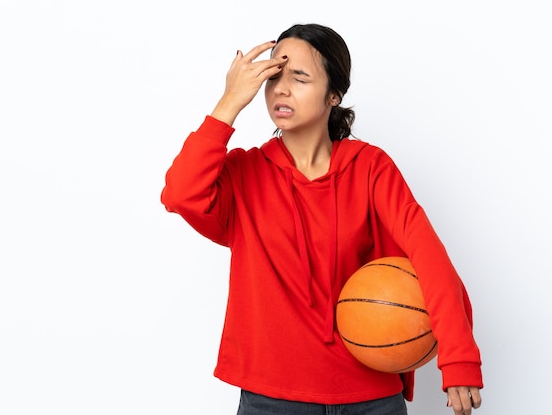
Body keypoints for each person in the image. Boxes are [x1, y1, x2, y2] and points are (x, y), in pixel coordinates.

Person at [161, 23, 483, 415]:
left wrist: (459, 357)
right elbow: (180, 194)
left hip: (370, 396)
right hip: (271, 398)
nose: (281, 88)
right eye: (274, 76)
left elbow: (427, 256)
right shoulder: (244, 173)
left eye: (299, 77)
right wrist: (229, 102)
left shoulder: (370, 168)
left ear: (333, 95)